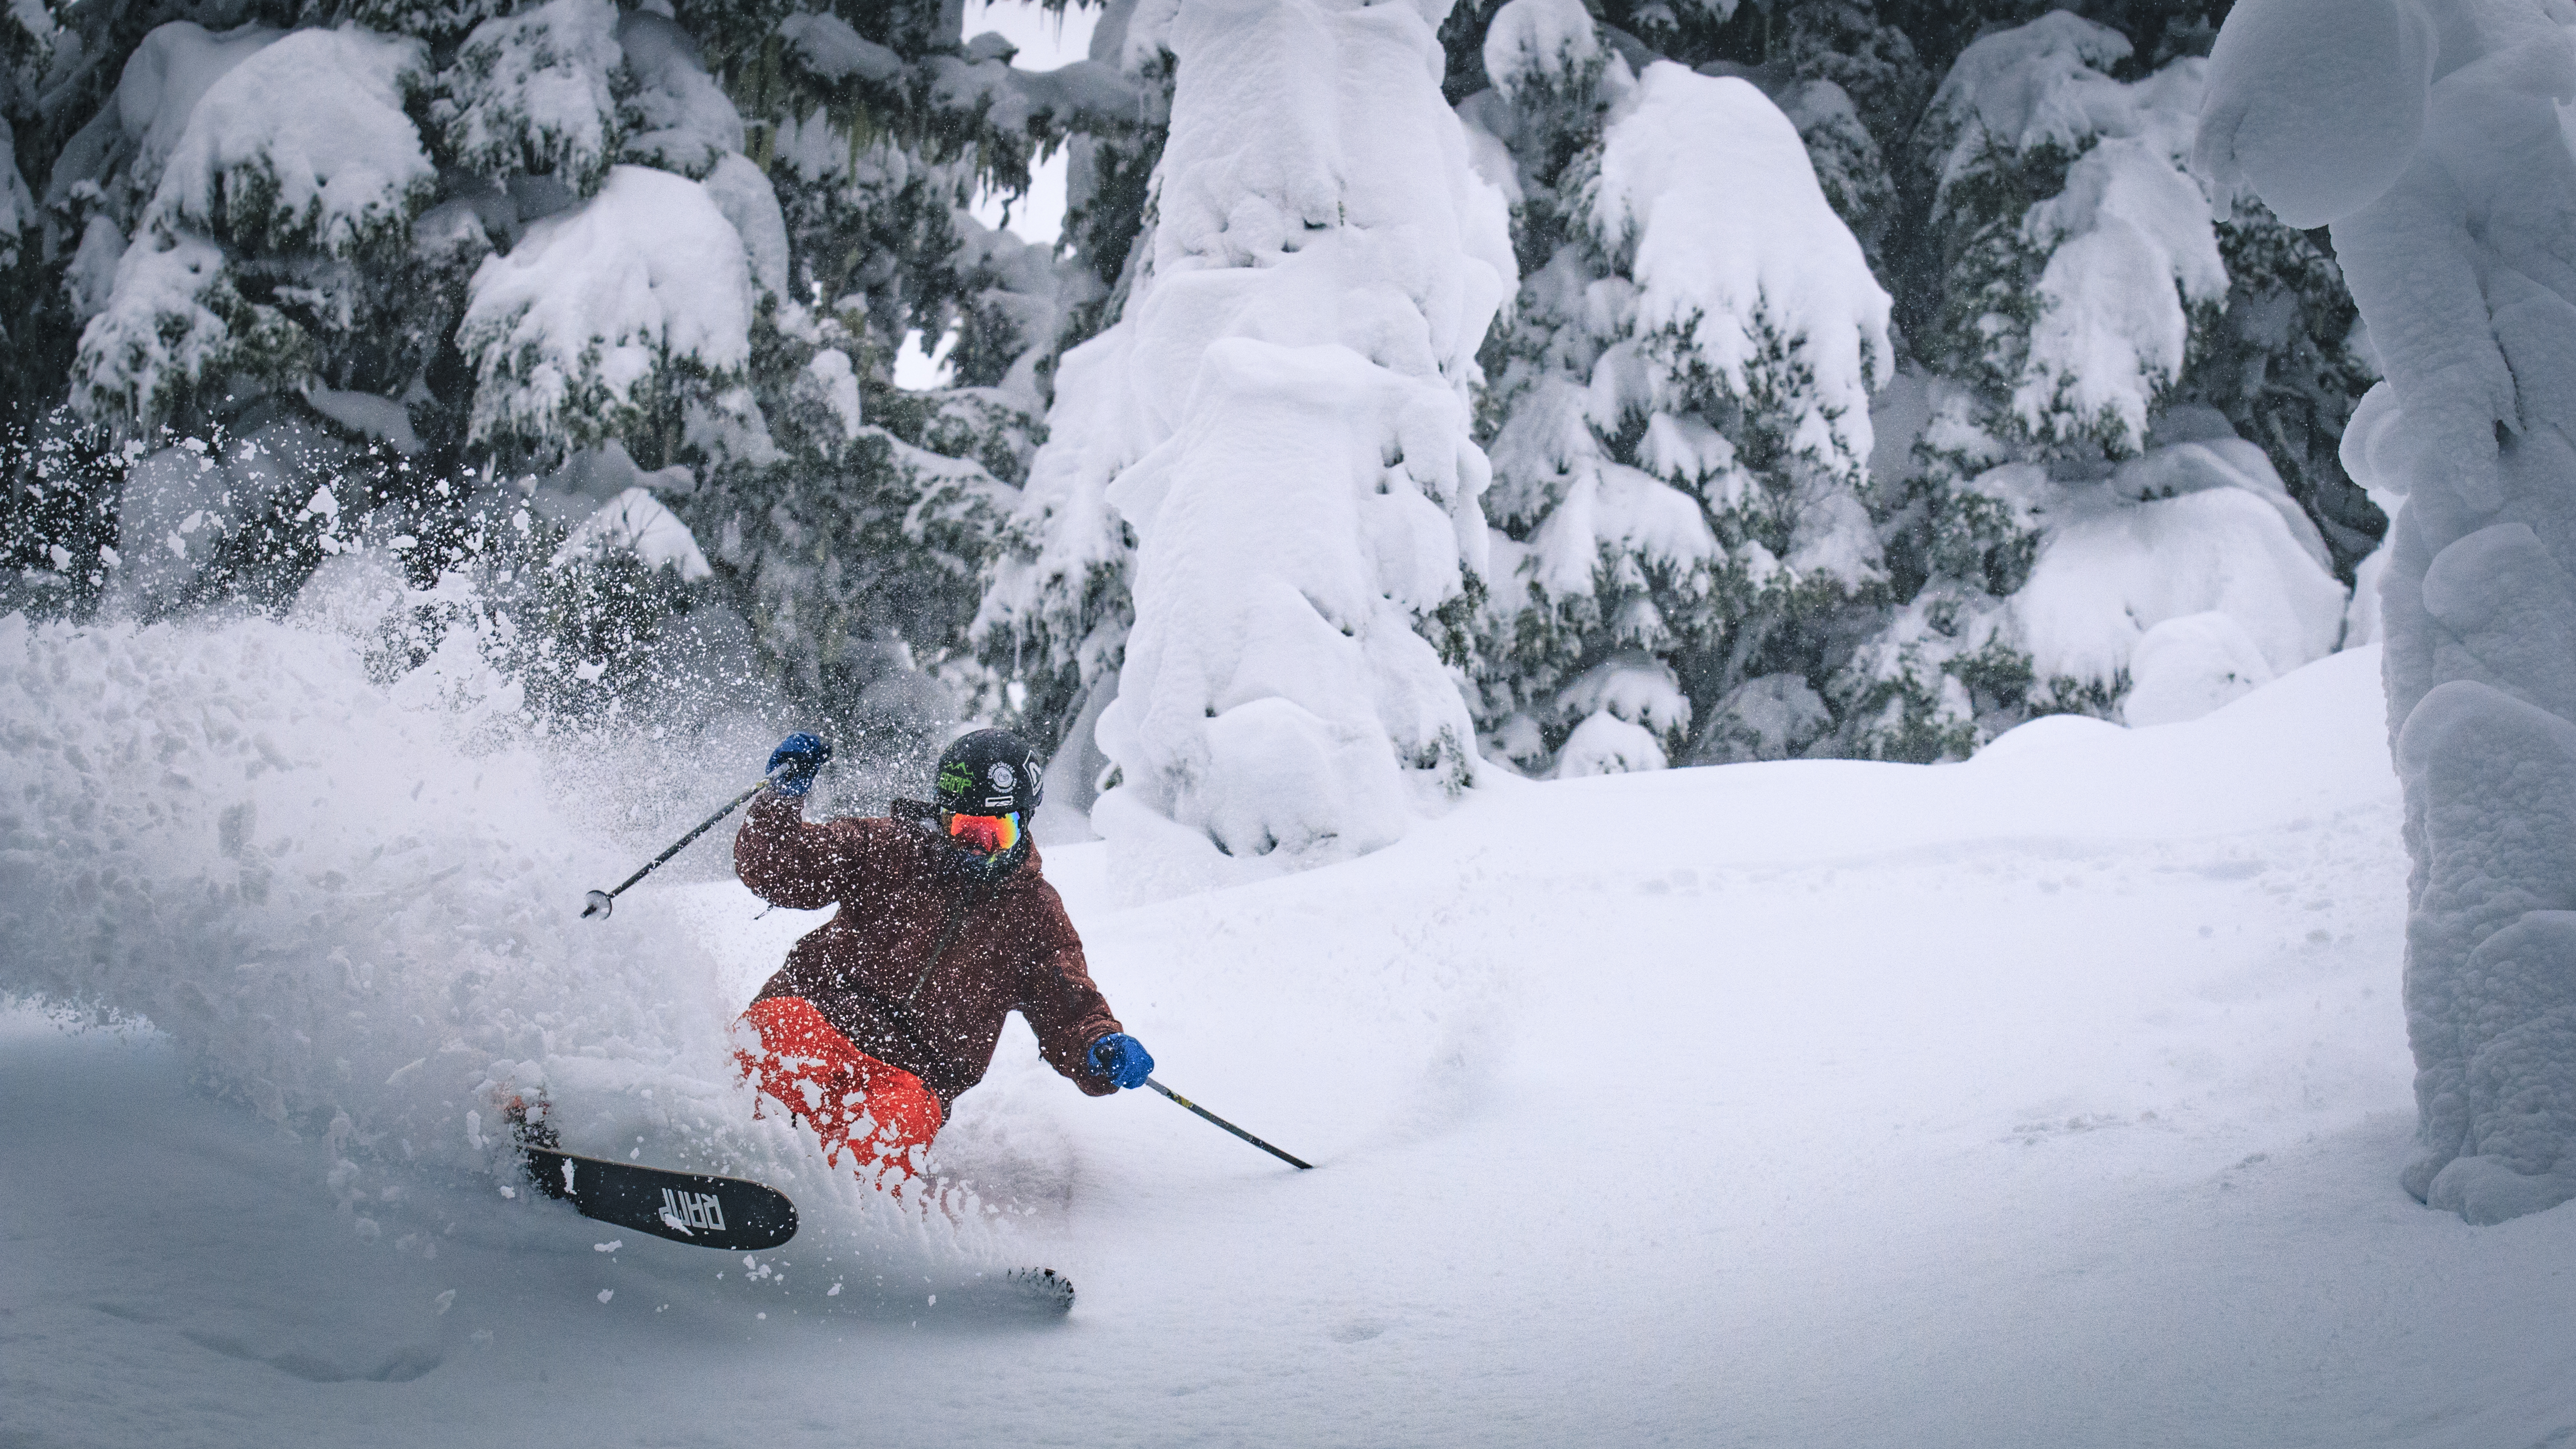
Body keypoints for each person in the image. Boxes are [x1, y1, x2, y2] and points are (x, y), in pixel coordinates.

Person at [730, 728, 1153, 1184]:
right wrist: (782, 798)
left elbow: (1069, 1014)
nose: (977, 849)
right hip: (818, 1019)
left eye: (996, 832)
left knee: (886, 1135)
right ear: (942, 815)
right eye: (964, 829)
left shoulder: (1034, 915)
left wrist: (1097, 1045)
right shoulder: (891, 849)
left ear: (1025, 823)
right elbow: (777, 866)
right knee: (772, 1041)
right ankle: (713, 1145)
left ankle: (823, 1212)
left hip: (909, 1077)